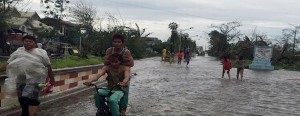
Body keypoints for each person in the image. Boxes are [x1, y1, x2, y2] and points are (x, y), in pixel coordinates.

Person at [0, 35, 55, 116]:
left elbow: (48, 66)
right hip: (20, 79)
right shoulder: (18, 52)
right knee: (22, 99)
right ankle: (26, 112)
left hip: (35, 80)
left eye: (30, 41)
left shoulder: (41, 53)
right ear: (23, 42)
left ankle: (28, 113)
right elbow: (8, 64)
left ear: (35, 43)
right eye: (26, 41)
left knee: (29, 98)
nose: (28, 43)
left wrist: (52, 79)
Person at [103, 33, 134, 115]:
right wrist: (113, 60)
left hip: (123, 74)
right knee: (110, 90)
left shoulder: (126, 52)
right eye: (115, 41)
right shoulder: (109, 50)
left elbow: (132, 64)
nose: (117, 43)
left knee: (124, 92)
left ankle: (123, 110)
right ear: (112, 42)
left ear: (122, 43)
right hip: (113, 74)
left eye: (119, 42)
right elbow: (105, 62)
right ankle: (110, 107)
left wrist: (122, 60)